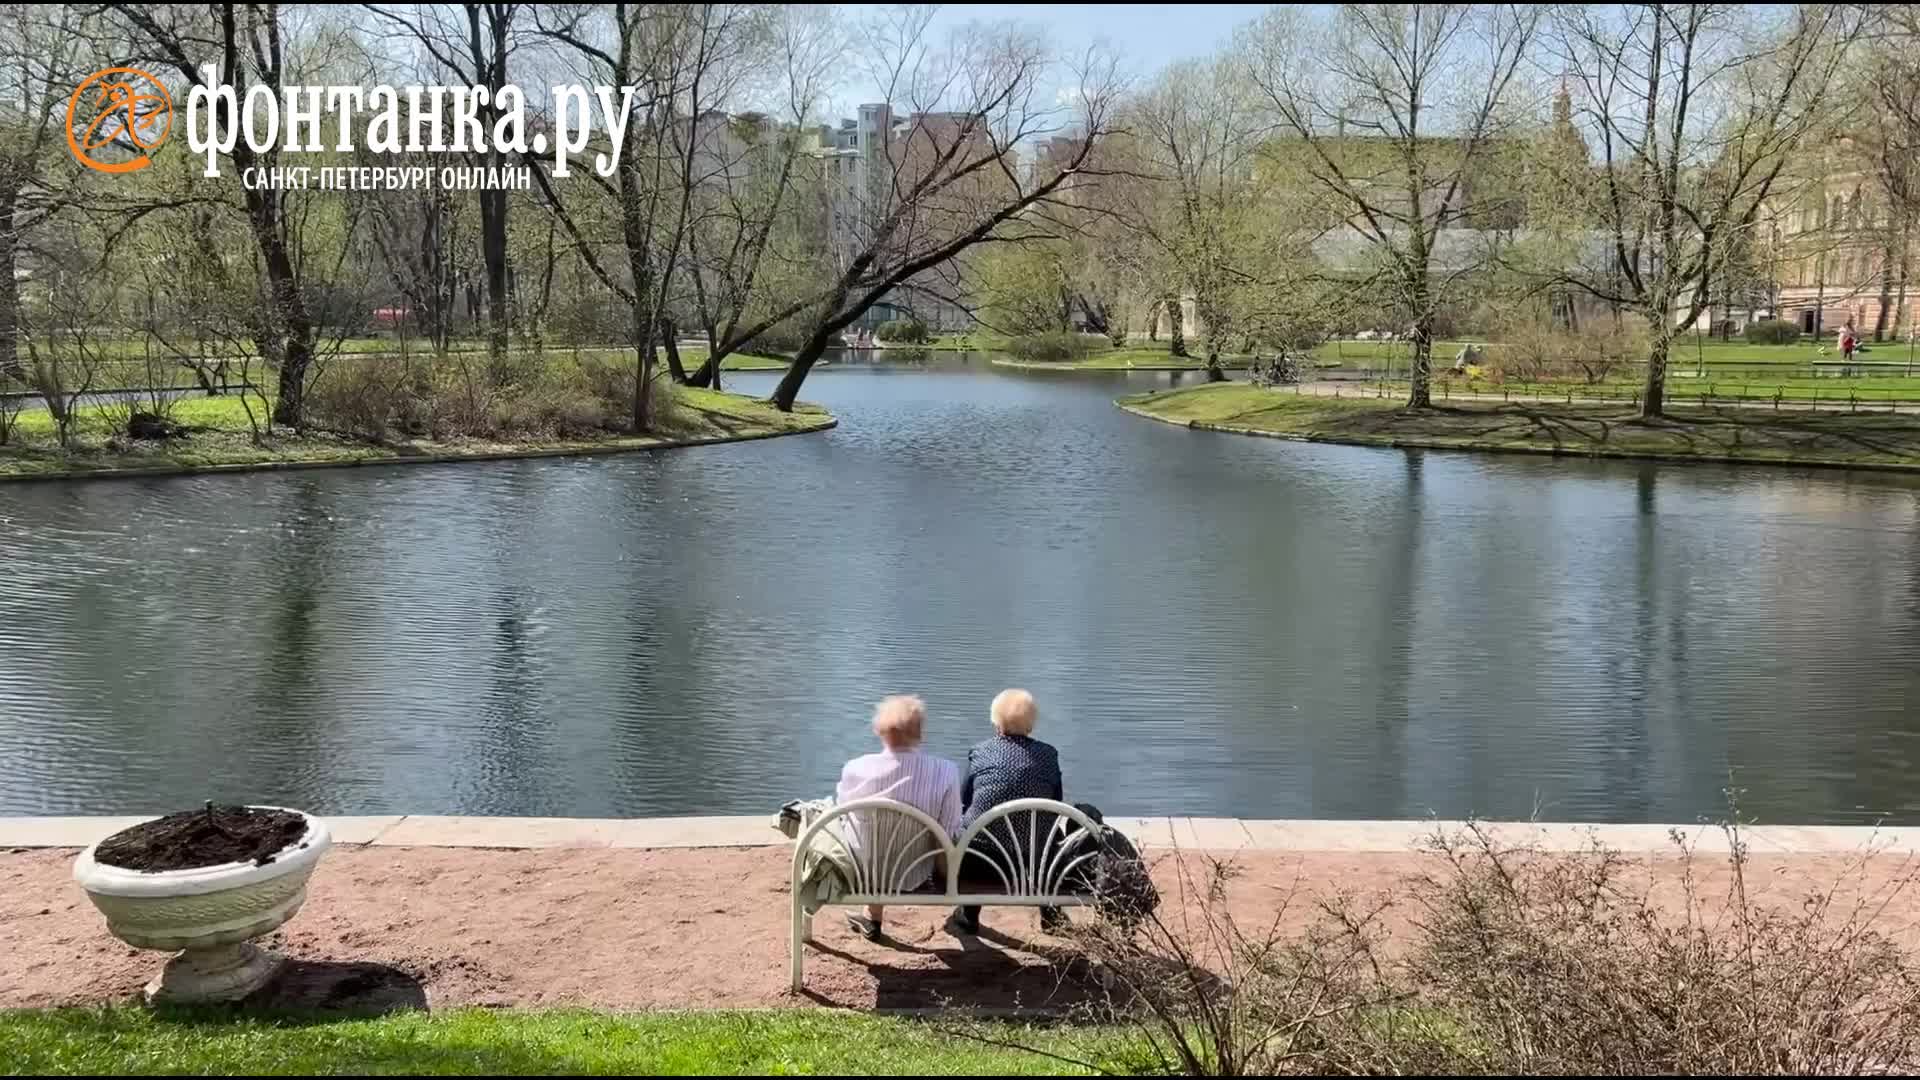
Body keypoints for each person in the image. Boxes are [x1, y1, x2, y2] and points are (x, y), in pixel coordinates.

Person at [835, 695, 962, 940]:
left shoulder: (855, 768)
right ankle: (871, 916)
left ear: (878, 729)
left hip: (865, 870)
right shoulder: (946, 771)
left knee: (867, 832)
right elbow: (950, 829)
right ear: (920, 733)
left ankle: (872, 915)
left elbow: (843, 819)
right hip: (915, 871)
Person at [946, 688, 1067, 937]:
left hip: (982, 864)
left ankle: (968, 915)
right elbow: (1056, 803)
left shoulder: (980, 753)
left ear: (995, 721)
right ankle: (1050, 912)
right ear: (1031, 724)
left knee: (975, 829)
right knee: (1044, 835)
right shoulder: (1048, 755)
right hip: (1034, 866)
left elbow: (966, 802)